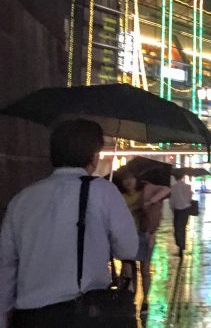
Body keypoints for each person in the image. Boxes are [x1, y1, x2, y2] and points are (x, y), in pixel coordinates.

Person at [0, 119, 138, 328]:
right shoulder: (103, 191)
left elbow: (6, 266)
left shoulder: (22, 199)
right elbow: (128, 248)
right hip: (82, 315)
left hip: (30, 317)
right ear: (92, 156)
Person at [115, 172, 169, 310]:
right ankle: (130, 297)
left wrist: (150, 201)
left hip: (144, 235)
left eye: (130, 178)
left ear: (136, 179)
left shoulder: (146, 191)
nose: (128, 182)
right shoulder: (120, 197)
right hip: (127, 236)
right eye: (124, 179)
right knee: (128, 269)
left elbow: (166, 190)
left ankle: (145, 300)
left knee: (145, 270)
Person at [170, 171, 192, 257]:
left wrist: (172, 209)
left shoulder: (173, 187)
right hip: (186, 209)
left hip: (177, 210)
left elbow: (172, 201)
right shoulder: (187, 186)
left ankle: (180, 245)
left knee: (177, 229)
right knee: (183, 228)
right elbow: (189, 198)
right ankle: (182, 246)